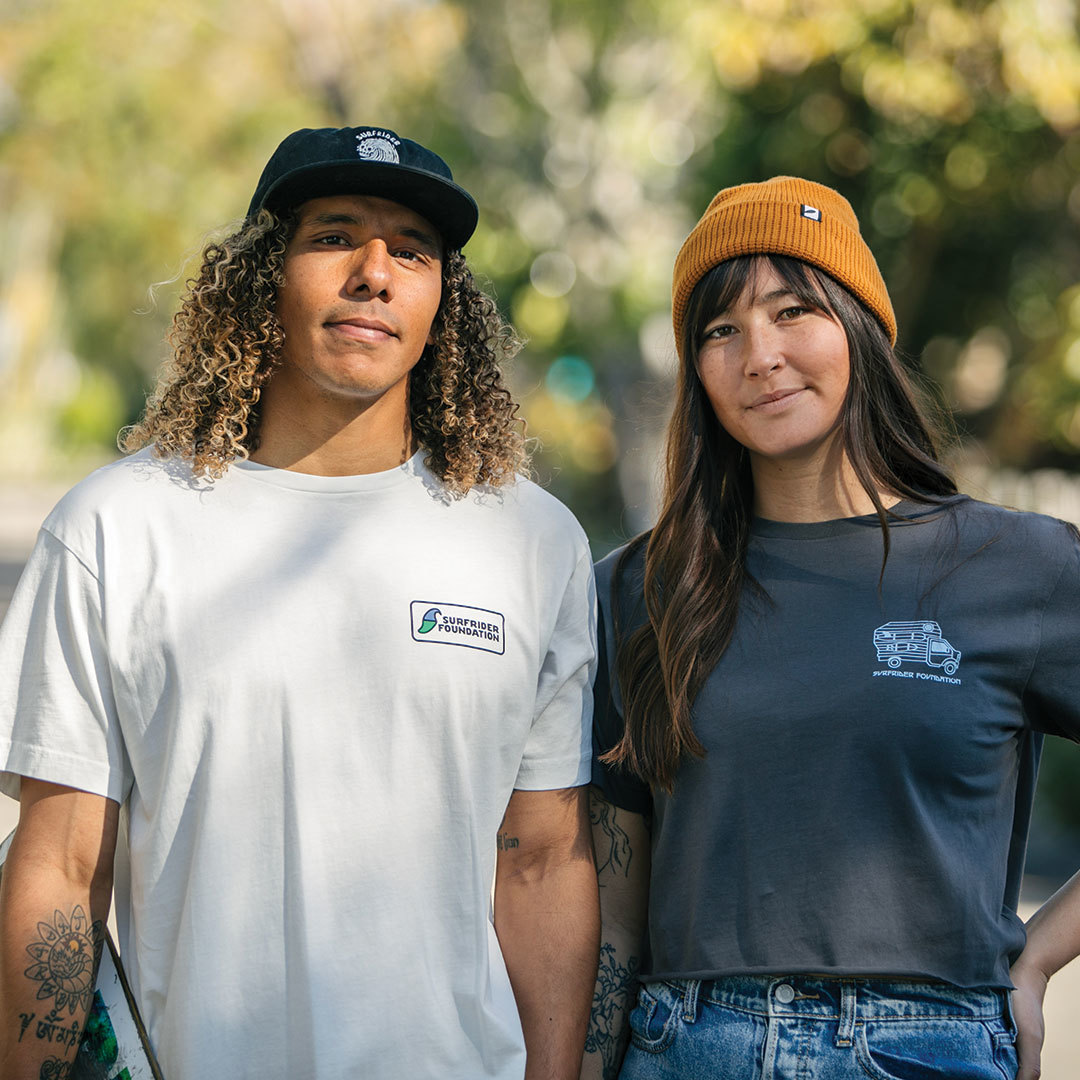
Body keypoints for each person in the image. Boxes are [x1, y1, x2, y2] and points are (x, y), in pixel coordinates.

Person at [0, 125, 600, 1080]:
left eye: (412, 250)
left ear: (444, 302)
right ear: (259, 278)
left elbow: (541, 859)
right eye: (335, 235)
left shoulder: (533, 545)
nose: (375, 271)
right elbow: (63, 868)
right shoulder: (117, 530)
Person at [581, 176, 1080, 1080]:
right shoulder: (638, 590)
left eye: (792, 310)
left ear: (859, 326)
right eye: (720, 330)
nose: (759, 355)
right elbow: (616, 905)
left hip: (932, 1045)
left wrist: (1038, 958)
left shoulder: (1020, 567)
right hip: (687, 1046)